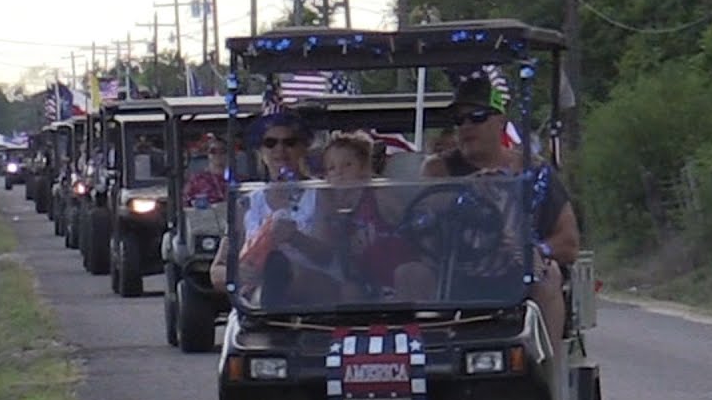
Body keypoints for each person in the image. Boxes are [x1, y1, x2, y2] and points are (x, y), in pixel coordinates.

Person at [420, 71, 581, 347]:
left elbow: (569, 243)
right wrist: (466, 191)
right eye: (459, 120)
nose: (466, 127)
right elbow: (422, 218)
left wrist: (534, 250)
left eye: (477, 117)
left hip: (516, 272)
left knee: (549, 274)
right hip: (456, 272)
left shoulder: (533, 170)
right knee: (410, 273)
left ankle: (548, 366)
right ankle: (423, 358)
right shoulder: (439, 170)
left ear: (500, 121)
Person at [209, 110, 340, 306]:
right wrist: (238, 273)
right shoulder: (247, 203)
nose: (280, 149)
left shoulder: (321, 194)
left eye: (289, 142)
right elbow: (217, 270)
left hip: (313, 295)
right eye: (270, 143)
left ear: (303, 148)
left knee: (279, 268)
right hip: (258, 300)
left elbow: (329, 255)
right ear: (260, 152)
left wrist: (295, 238)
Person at [319, 132, 421, 299]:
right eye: (332, 168)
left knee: (409, 272)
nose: (339, 172)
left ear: (364, 167)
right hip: (364, 279)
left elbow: (409, 222)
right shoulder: (329, 204)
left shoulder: (378, 195)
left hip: (395, 268)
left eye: (347, 165)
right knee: (348, 290)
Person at [182, 133, 228, 207]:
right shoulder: (196, 180)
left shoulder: (236, 179)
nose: (218, 154)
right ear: (207, 154)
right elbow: (184, 203)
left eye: (222, 151)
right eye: (213, 151)